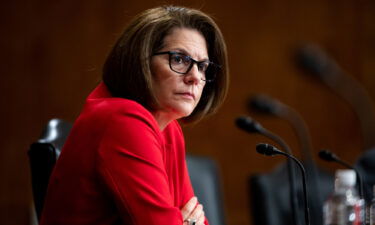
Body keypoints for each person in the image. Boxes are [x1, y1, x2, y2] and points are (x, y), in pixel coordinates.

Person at [40, 5, 229, 225]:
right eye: (179, 59)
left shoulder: (169, 128)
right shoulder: (122, 120)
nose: (195, 77)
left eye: (203, 66)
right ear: (142, 61)